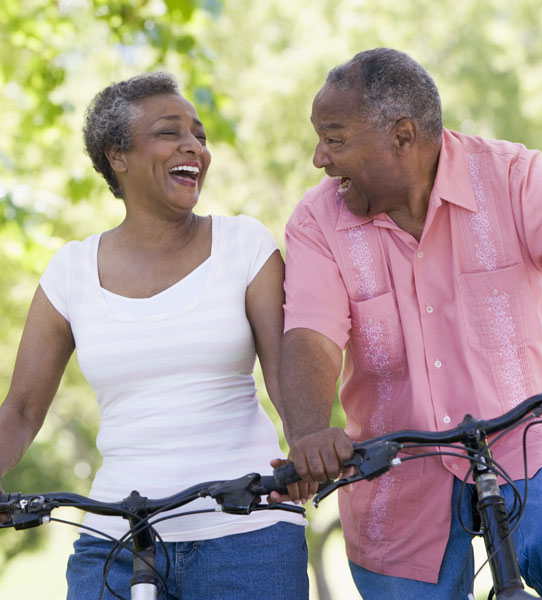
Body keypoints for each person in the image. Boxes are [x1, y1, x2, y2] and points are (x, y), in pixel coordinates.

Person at [278, 47, 542, 599]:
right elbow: (312, 334)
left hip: (532, 440)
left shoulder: (513, 178)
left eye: (334, 138)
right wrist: (308, 434)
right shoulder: (317, 220)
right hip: (394, 464)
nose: (319, 158)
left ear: (402, 136)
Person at [0, 72, 308, 599]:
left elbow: (286, 378)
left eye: (200, 135)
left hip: (247, 532)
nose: (194, 146)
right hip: (116, 539)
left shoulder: (244, 245)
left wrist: (305, 449)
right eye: (171, 133)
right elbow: (23, 410)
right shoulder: (71, 271)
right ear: (117, 155)